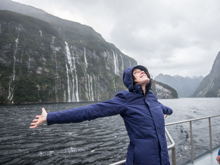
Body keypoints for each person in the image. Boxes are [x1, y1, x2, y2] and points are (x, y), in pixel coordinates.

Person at [30, 65, 173, 165]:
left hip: (163, 159)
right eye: (136, 72)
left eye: (143, 71)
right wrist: (49, 117)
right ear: (131, 80)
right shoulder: (125, 100)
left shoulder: (152, 98)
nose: (142, 72)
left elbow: (164, 108)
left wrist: (163, 112)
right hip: (142, 160)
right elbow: (90, 111)